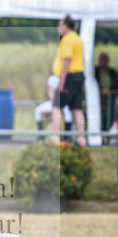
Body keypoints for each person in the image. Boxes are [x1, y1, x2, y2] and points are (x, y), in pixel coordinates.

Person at [50, 15, 86, 146]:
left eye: (60, 25)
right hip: (78, 76)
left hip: (69, 77)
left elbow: (67, 59)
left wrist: (62, 81)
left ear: (65, 26)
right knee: (76, 108)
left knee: (56, 106)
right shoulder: (77, 38)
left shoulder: (67, 39)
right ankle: (82, 138)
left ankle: (55, 136)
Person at [95, 52, 118, 129]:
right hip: (97, 96)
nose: (104, 61)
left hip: (110, 96)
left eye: (106, 60)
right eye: (102, 59)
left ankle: (111, 128)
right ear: (99, 61)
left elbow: (116, 85)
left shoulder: (113, 72)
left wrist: (109, 91)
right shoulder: (95, 71)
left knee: (114, 106)